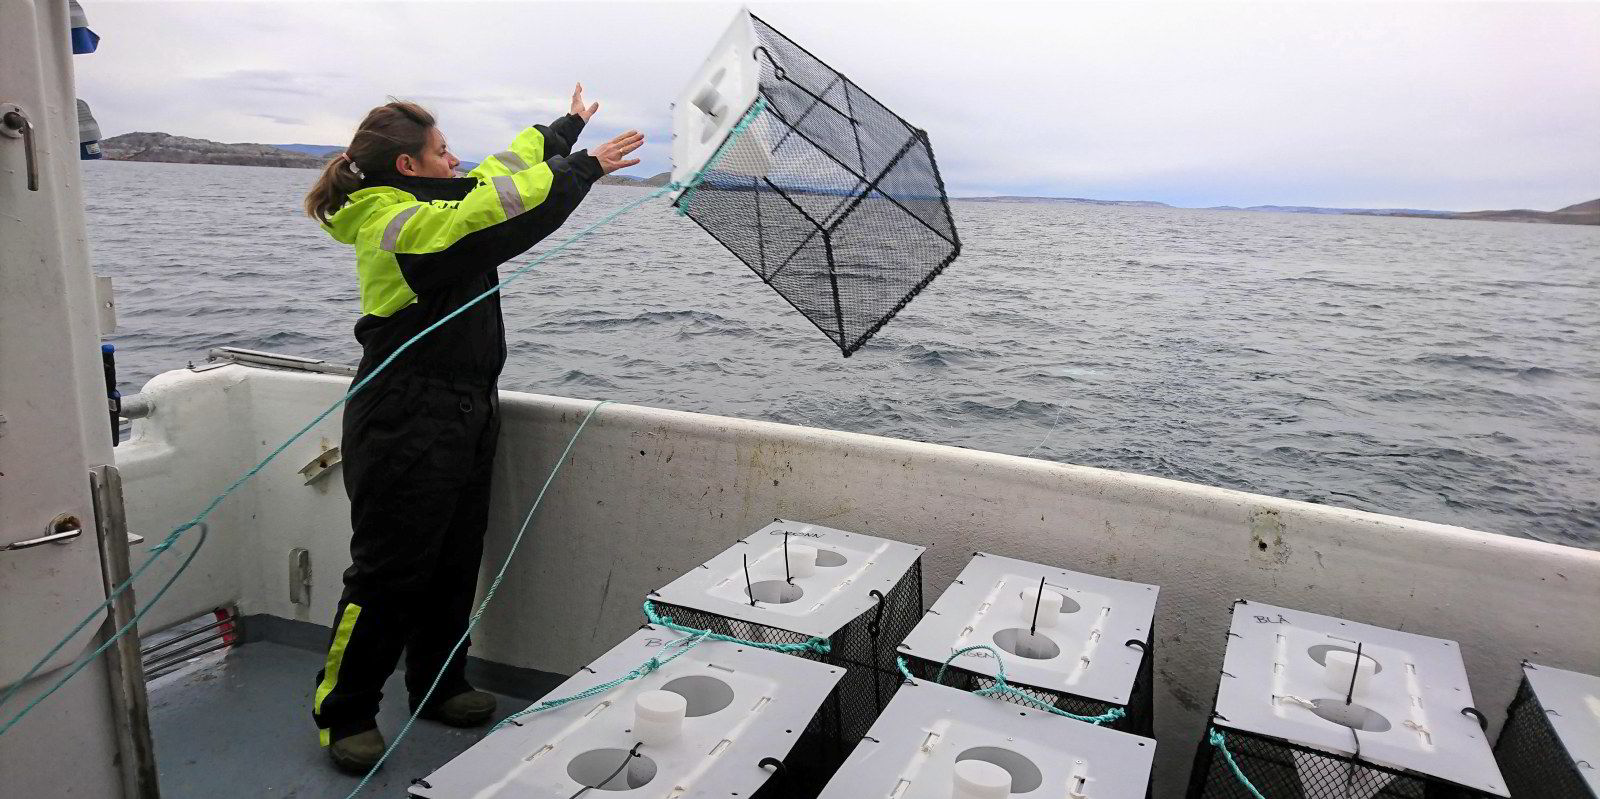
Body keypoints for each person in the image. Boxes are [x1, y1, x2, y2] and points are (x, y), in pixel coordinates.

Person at [301, 85, 642, 774]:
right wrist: (586, 169)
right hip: (405, 414)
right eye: (440, 150)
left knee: (455, 560)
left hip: (465, 408)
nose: (453, 158)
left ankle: (437, 683)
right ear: (408, 167)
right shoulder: (393, 224)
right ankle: (345, 712)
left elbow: (500, 174)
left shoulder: (434, 200)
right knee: (390, 571)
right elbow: (494, 214)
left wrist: (564, 129)